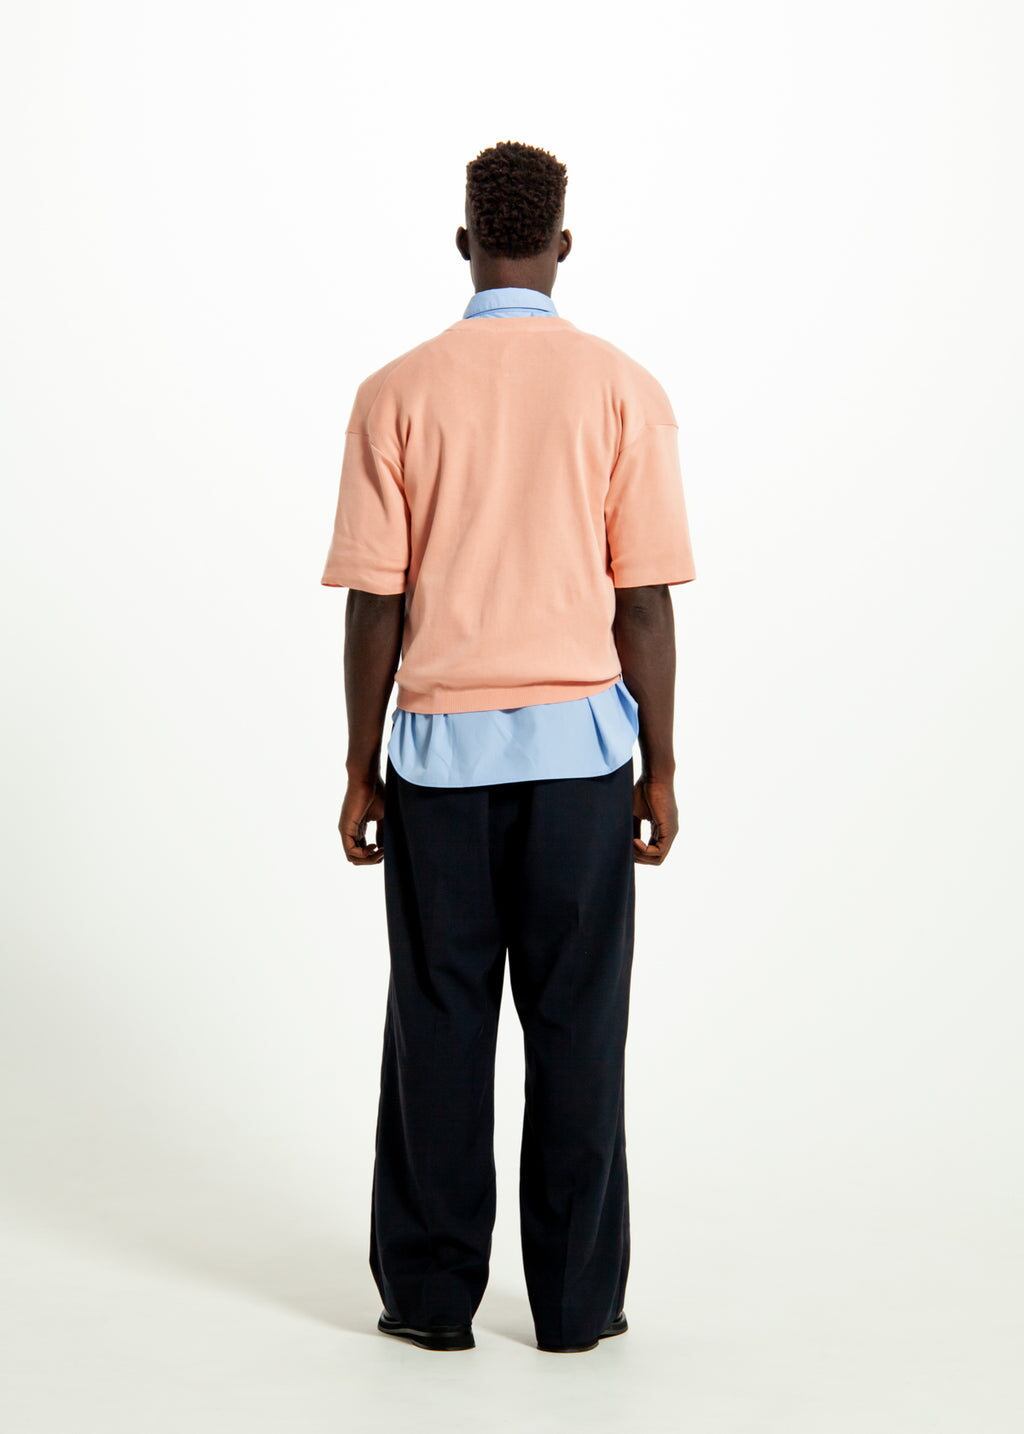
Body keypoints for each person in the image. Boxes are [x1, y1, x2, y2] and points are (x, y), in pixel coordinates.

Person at [321, 140, 695, 1355]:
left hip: (438, 764)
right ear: (562, 246)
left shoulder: (395, 393)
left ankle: (430, 1302)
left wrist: (359, 763)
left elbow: (375, 602)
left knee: (438, 1021)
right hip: (582, 765)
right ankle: (577, 1307)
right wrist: (661, 763)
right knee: (579, 1028)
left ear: (463, 243)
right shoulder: (622, 389)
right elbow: (643, 601)